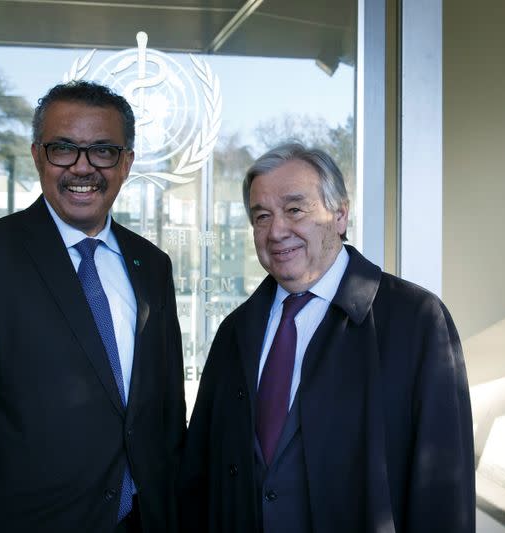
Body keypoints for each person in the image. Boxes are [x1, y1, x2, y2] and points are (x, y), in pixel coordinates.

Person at [0, 81, 186, 533]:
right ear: (38, 155)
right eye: (64, 148)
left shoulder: (152, 265)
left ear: (127, 163)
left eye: (103, 151)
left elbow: (166, 416)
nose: (83, 168)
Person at [178, 142, 475, 532]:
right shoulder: (235, 331)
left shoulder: (415, 321)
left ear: (340, 214)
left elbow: (444, 489)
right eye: (262, 216)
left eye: (295, 210)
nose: (276, 231)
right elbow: (201, 474)